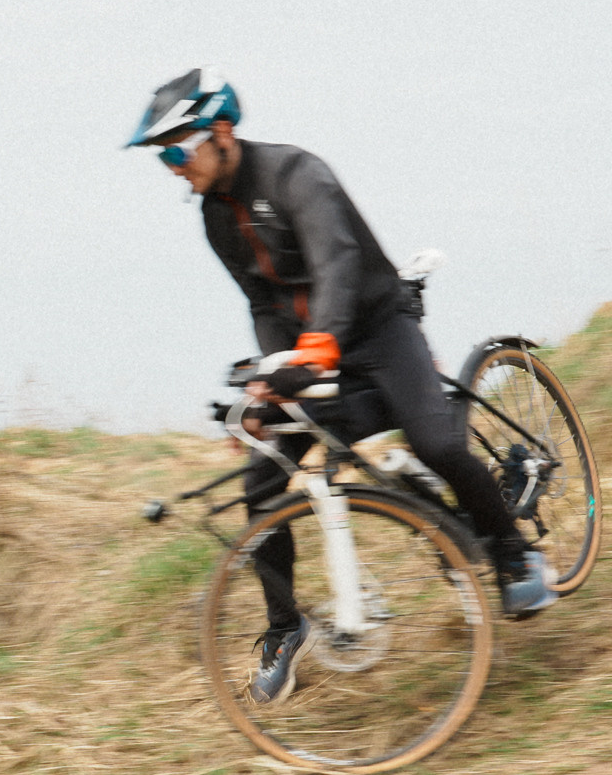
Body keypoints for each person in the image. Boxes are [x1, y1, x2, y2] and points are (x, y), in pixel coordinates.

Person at [126, 68, 555, 704]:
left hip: (379, 331)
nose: (170, 168)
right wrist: (275, 379)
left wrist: (322, 343)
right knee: (262, 479)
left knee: (438, 443)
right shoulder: (217, 218)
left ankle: (512, 552)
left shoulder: (298, 175)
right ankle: (284, 627)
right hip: (312, 349)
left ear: (220, 132)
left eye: (174, 150)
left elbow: (336, 263)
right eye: (159, 157)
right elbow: (264, 302)